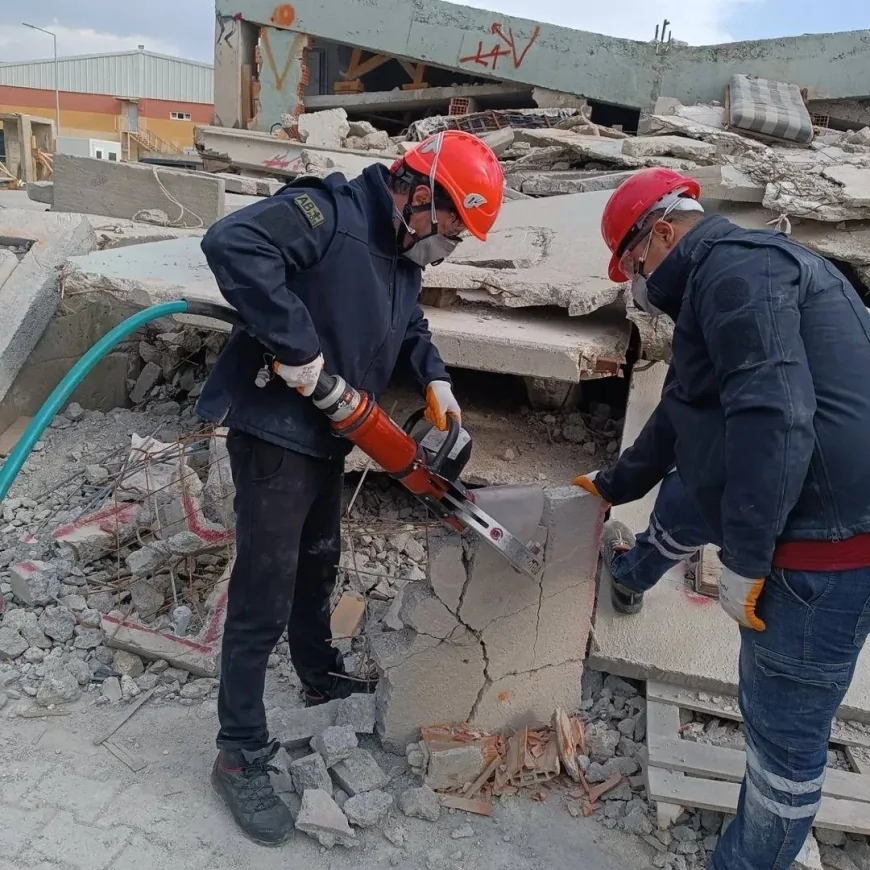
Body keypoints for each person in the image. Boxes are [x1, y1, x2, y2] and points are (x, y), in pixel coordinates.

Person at [196, 130, 504, 845]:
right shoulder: (328, 214)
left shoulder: (401, 248)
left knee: (318, 563)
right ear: (419, 191)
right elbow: (231, 244)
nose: (450, 242)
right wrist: (298, 349)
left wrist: (435, 378)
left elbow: (409, 321)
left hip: (330, 433)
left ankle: (316, 672)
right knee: (264, 591)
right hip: (276, 430)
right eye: (452, 224)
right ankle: (238, 753)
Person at [575, 167, 870, 869]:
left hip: (823, 554)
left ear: (663, 234)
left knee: (783, 741)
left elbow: (776, 418)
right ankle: (634, 572)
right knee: (681, 498)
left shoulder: (736, 276)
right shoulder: (729, 276)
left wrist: (745, 560)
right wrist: (611, 485)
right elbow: (680, 409)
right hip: (813, 513)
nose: (638, 284)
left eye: (635, 265)